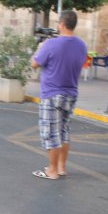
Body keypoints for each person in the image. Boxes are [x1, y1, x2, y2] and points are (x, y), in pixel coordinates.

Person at [30, 10, 87, 180]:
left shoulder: (50, 44)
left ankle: (52, 170)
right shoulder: (81, 45)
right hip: (71, 93)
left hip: (52, 93)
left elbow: (34, 63)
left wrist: (40, 47)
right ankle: (62, 167)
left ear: (61, 24)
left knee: (51, 132)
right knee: (64, 131)